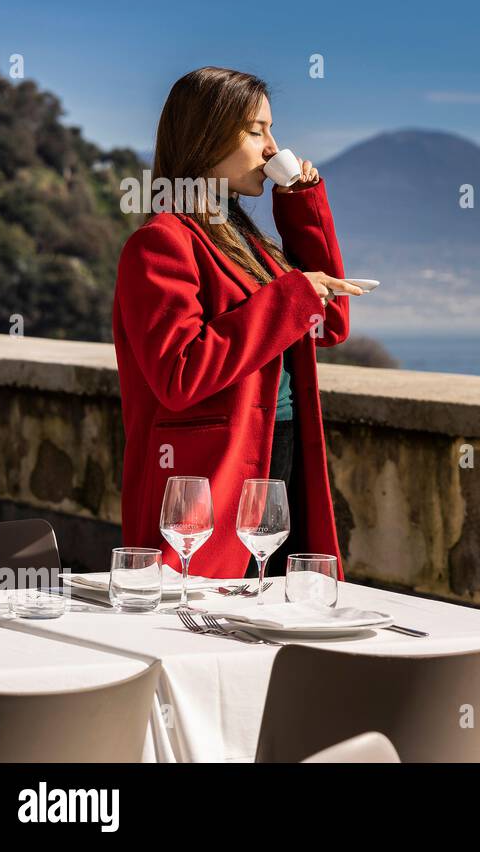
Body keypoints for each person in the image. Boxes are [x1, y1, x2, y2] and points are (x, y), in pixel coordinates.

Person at [112, 66, 362, 580]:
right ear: (205, 136)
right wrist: (290, 296)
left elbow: (330, 322)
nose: (273, 148)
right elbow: (180, 375)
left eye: (271, 131)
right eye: (255, 131)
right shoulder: (161, 243)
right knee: (208, 625)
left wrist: (300, 204)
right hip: (212, 478)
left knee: (276, 614)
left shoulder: (249, 243)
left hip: (281, 453)